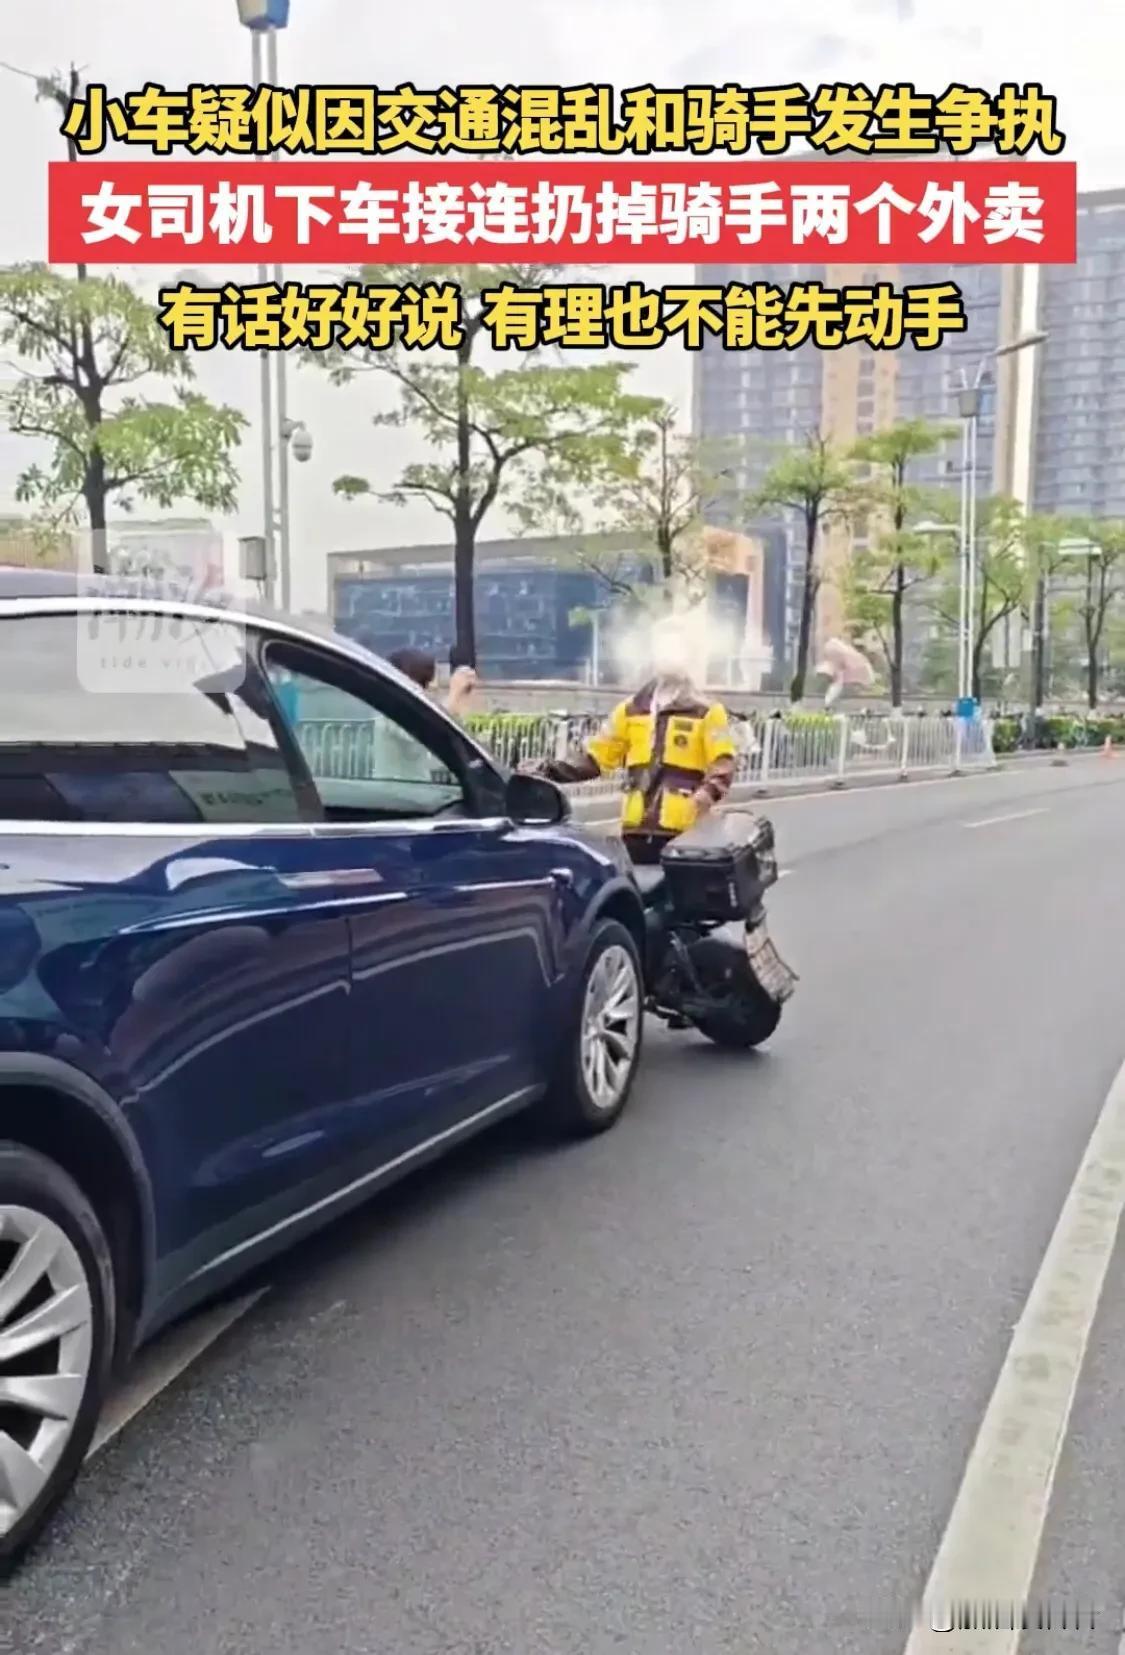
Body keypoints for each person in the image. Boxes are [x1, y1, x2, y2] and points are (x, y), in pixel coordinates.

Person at [537, 621, 737, 865]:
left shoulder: (707, 712)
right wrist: (547, 770)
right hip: (636, 831)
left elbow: (723, 762)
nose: (669, 655)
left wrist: (707, 794)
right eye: (663, 648)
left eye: (677, 648)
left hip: (684, 833)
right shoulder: (630, 710)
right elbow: (596, 758)